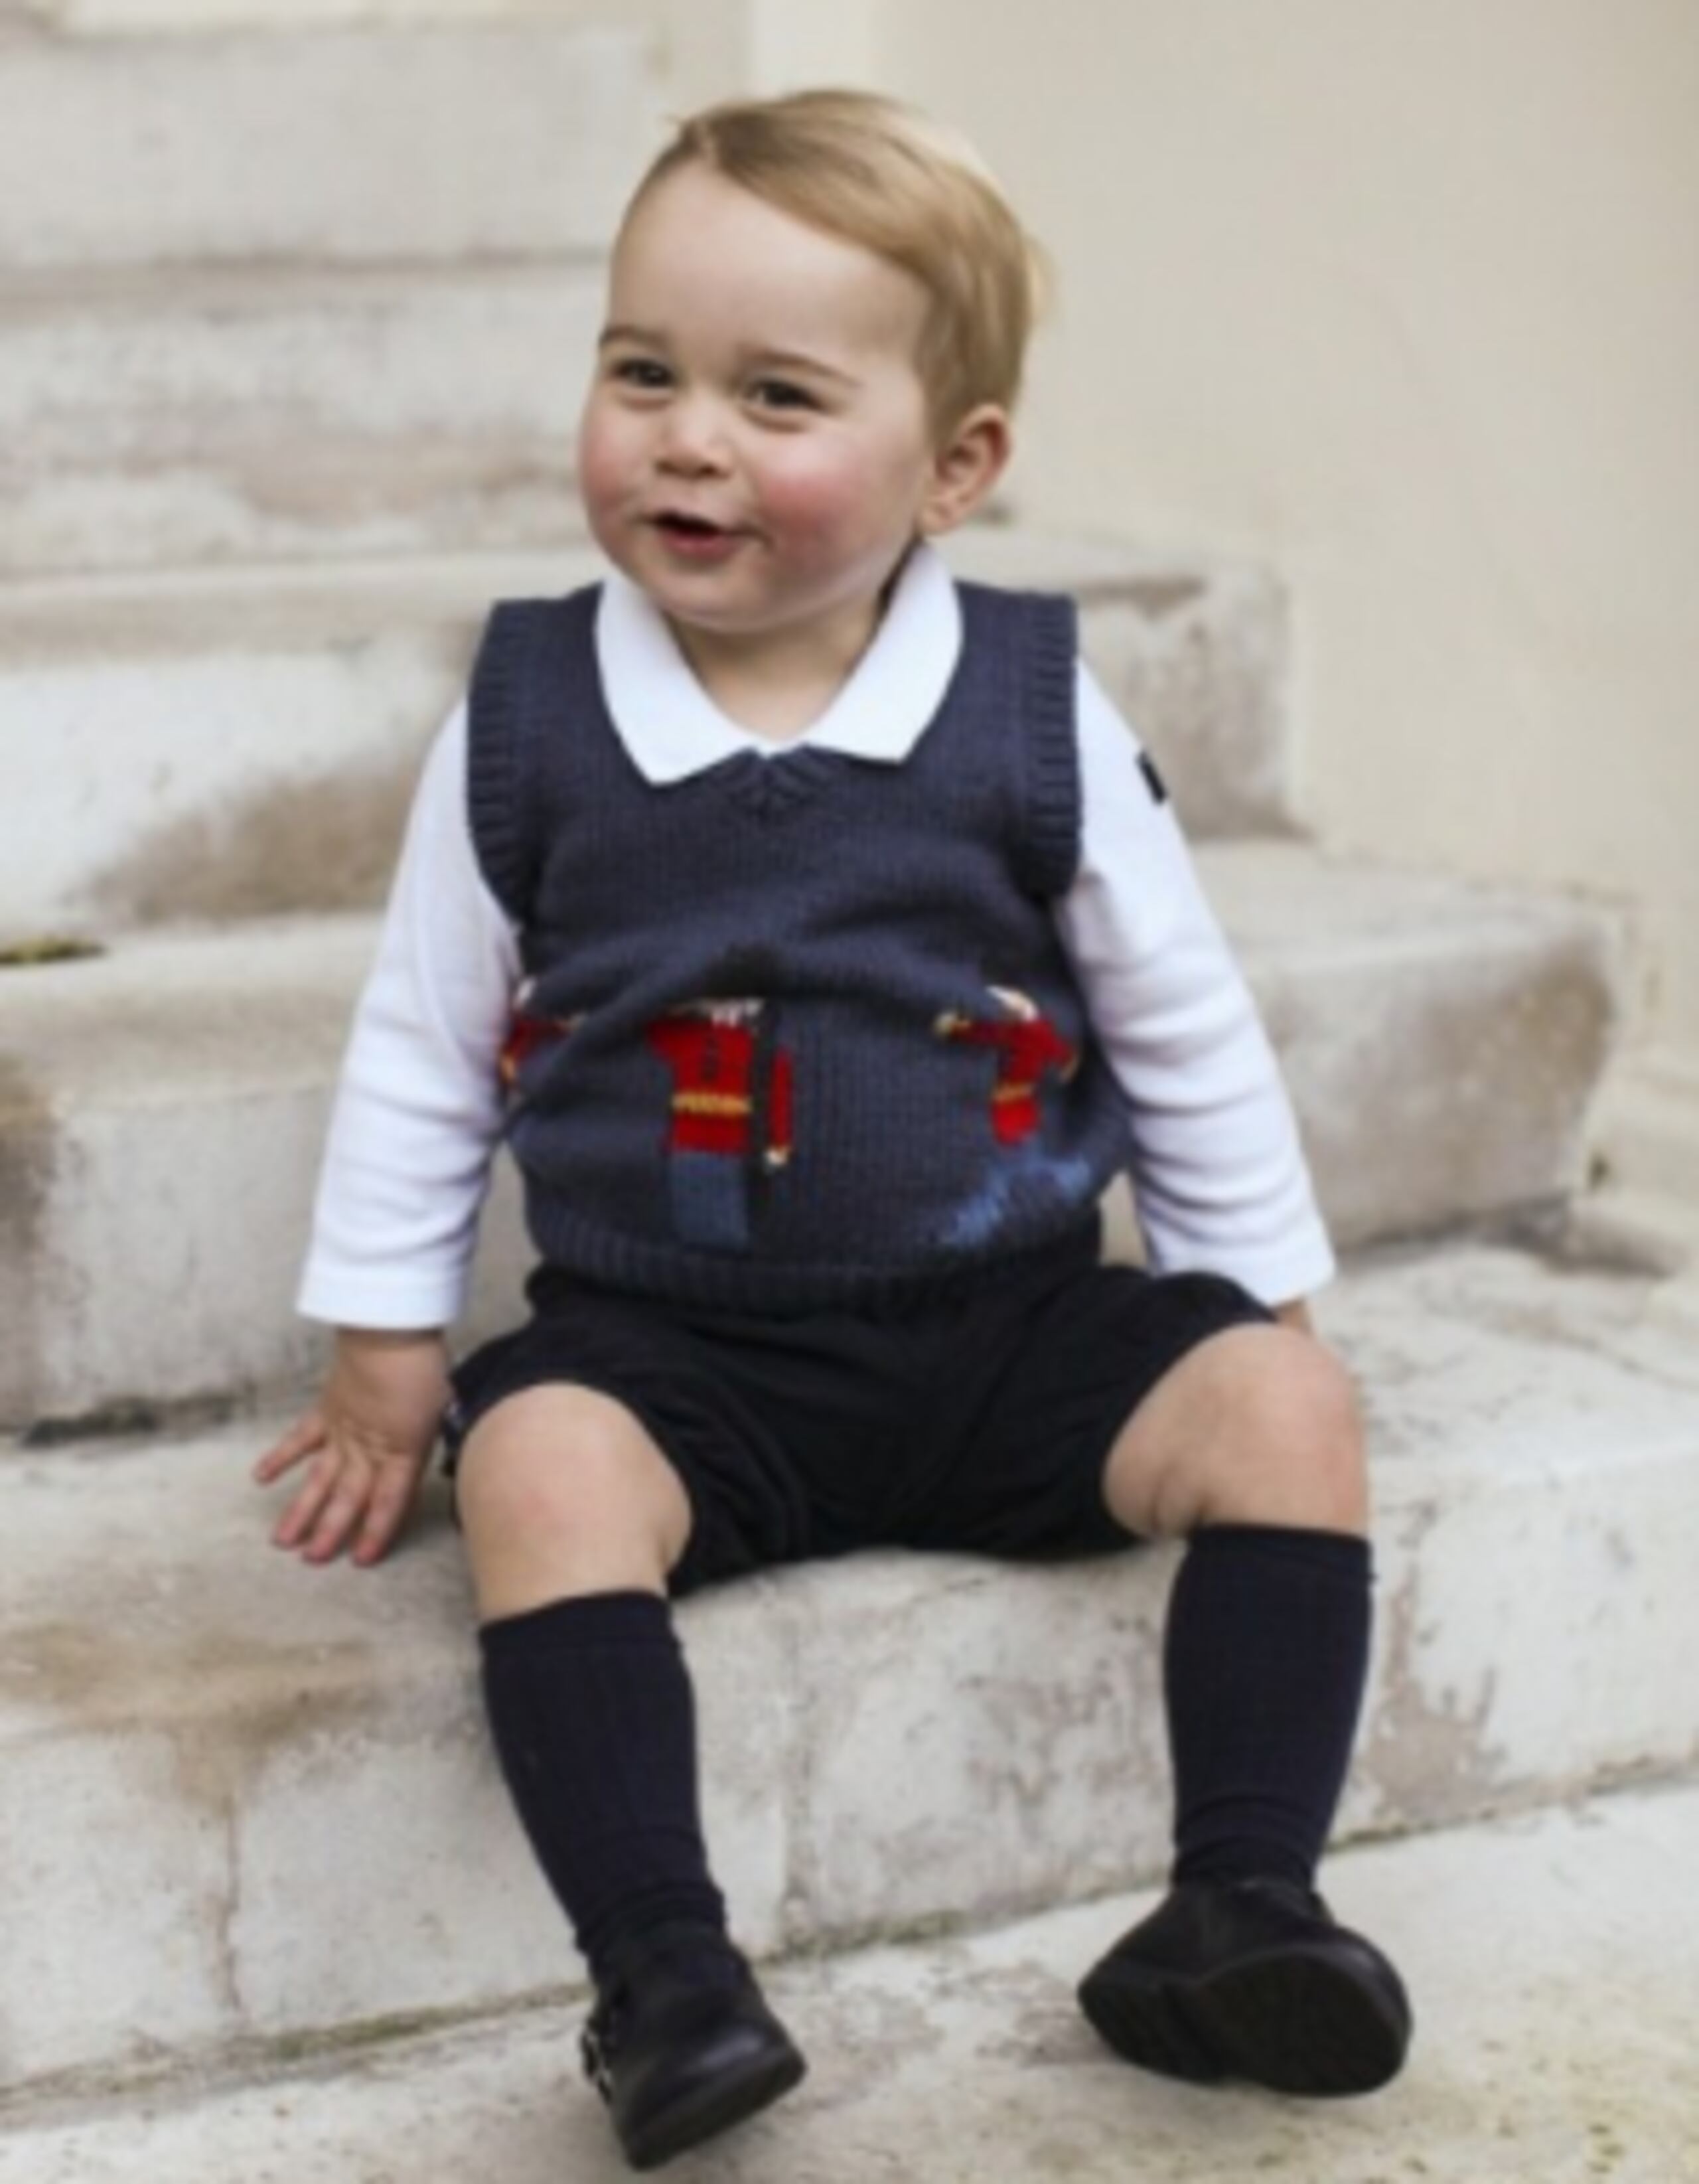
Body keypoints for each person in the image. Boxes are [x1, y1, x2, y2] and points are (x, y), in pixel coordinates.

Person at [254, 87, 1412, 2172]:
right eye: (643, 372)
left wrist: (1274, 1300)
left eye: (775, 394)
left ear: (956, 464)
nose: (688, 435)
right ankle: (665, 1974)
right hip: (677, 1357)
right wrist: (382, 1338)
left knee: (1290, 1421)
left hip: (1007, 1331)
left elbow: (1180, 1020)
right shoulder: (526, 716)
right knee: (532, 1470)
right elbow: (428, 1043)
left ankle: (1241, 1897)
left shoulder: (1032, 709)